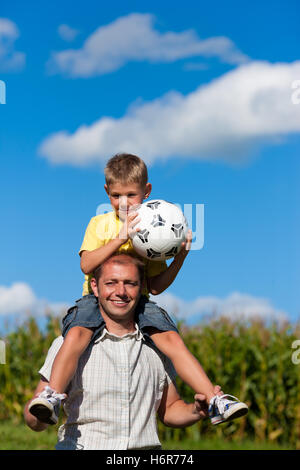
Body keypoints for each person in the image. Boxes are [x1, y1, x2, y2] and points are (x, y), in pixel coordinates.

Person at [28, 153, 248, 427]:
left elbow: (155, 287)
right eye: (116, 195)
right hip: (94, 300)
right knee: (76, 334)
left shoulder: (154, 229)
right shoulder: (100, 224)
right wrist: (121, 238)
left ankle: (216, 400)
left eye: (131, 195)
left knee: (172, 340)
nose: (123, 202)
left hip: (139, 301)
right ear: (107, 192)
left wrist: (180, 257)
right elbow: (87, 265)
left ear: (147, 192)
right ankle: (52, 396)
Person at [24, 253, 224, 450]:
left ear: (141, 287)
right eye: (111, 283)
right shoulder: (67, 345)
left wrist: (196, 411)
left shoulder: (157, 346)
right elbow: (34, 420)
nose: (121, 291)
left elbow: (169, 409)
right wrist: (38, 414)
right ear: (95, 286)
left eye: (130, 283)